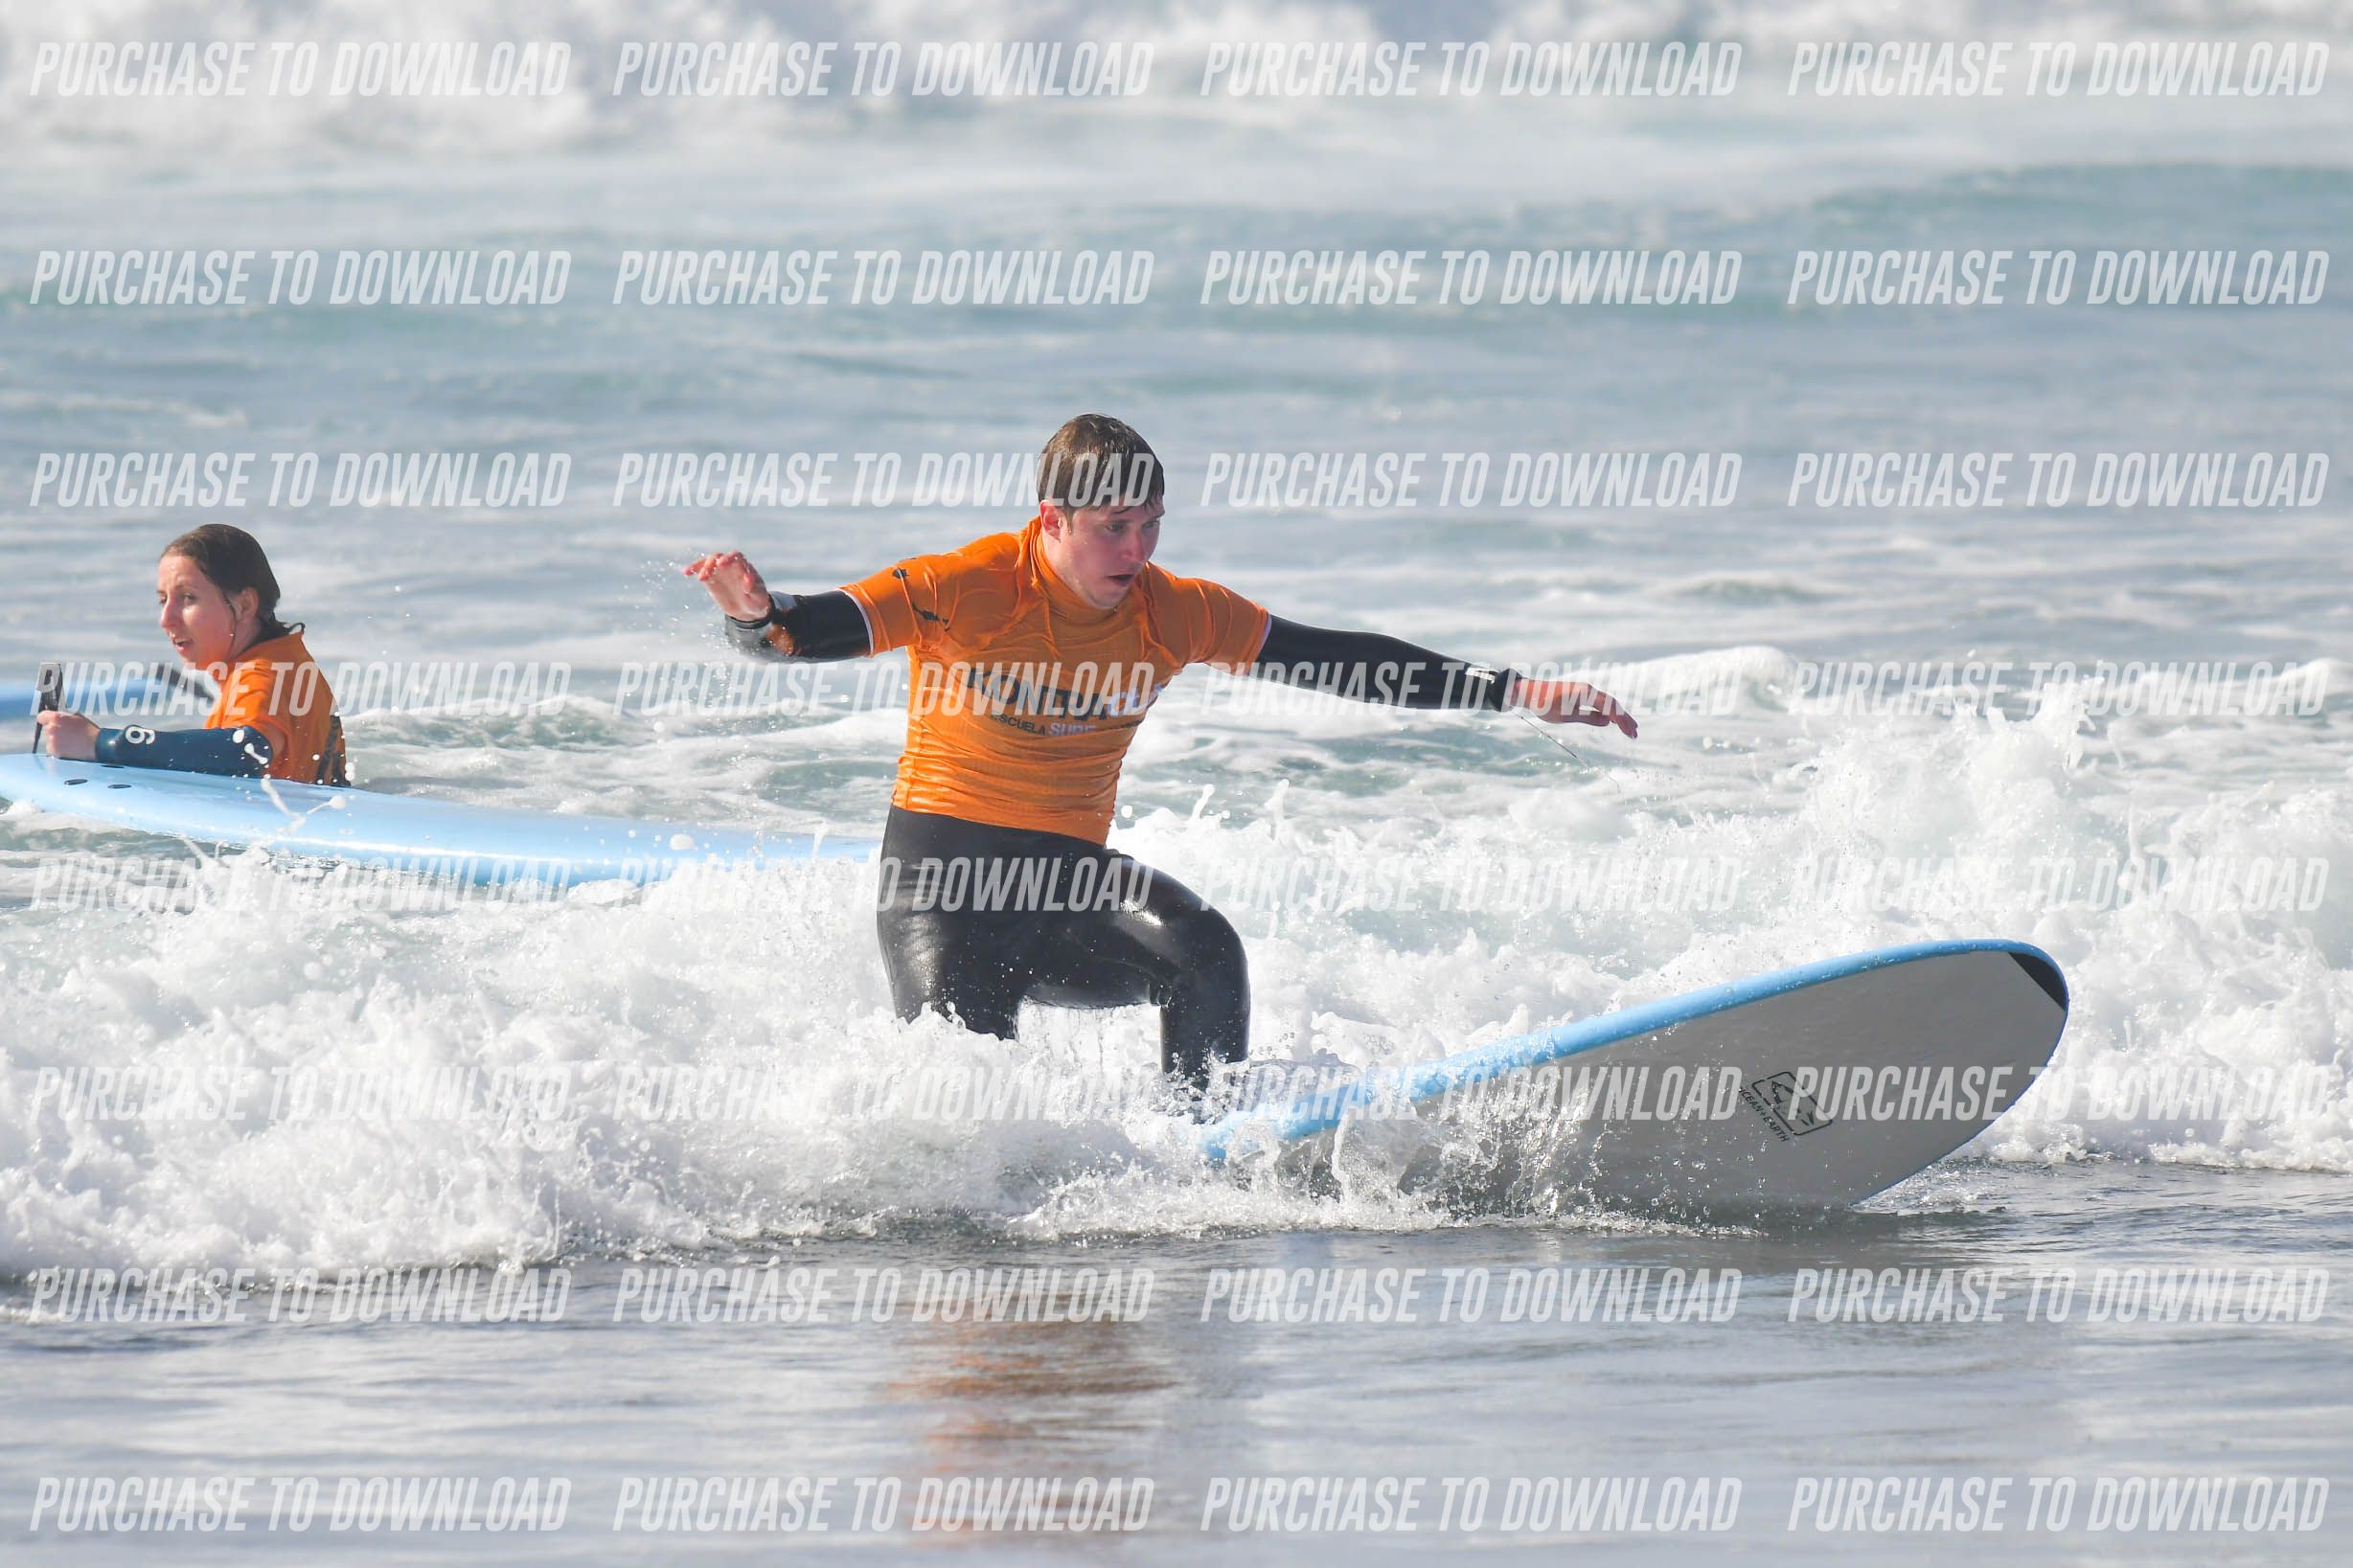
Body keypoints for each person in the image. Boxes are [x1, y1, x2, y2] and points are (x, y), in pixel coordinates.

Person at [686, 414, 1633, 1097]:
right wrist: (755, 617)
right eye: (1113, 527)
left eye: (1150, 523)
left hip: (1062, 883)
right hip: (942, 887)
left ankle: (1204, 1156)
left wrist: (1515, 690)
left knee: (1203, 951)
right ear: (1052, 519)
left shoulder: (1173, 611)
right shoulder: (971, 585)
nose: (1135, 548)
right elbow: (810, 630)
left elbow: (1340, 659)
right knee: (963, 1113)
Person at [36, 524, 349, 785]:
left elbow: (248, 751)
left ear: (244, 606)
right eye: (163, 600)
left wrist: (102, 743)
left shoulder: (261, 674)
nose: (166, 619)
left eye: (188, 598)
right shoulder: (286, 659)